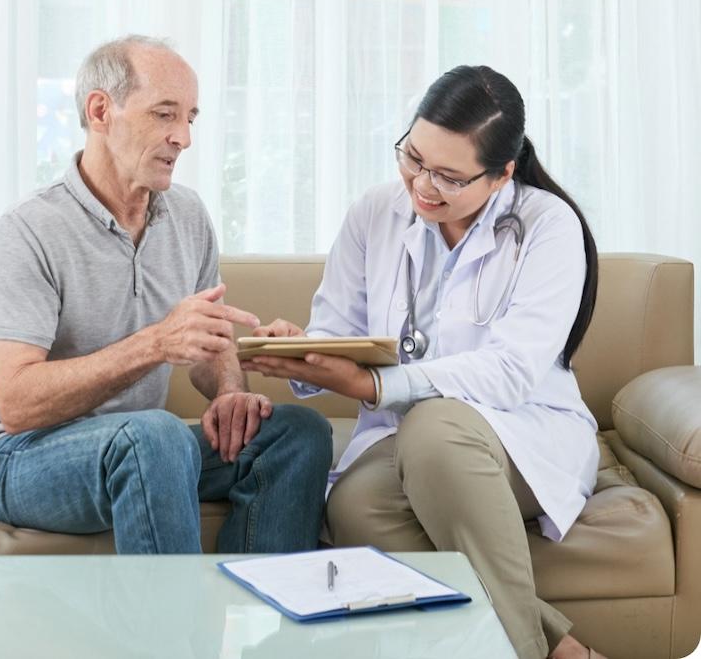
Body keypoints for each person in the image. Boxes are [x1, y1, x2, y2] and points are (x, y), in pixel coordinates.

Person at [241, 65, 606, 659]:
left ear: (502, 174)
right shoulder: (373, 214)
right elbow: (340, 327)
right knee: (354, 507)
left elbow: (511, 373)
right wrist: (305, 349)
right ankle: (559, 645)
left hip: (523, 434)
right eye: (413, 157)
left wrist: (375, 386)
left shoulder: (546, 227)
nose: (423, 185)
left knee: (436, 427)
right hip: (403, 440)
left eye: (448, 176)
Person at [0, 35, 332, 554]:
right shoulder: (30, 229)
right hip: (15, 456)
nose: (183, 138)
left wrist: (229, 394)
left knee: (297, 433)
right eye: (164, 115)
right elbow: (18, 404)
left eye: (190, 118)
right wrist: (156, 344)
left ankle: (259, 611)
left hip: (144, 448)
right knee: (154, 435)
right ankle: (175, 636)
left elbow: (207, 344)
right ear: (100, 110)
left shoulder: (189, 216)